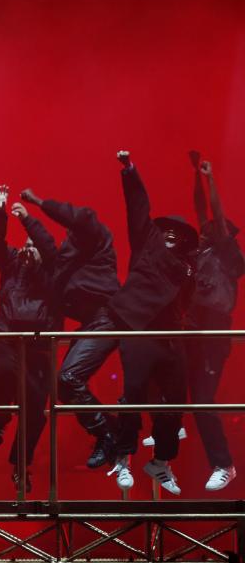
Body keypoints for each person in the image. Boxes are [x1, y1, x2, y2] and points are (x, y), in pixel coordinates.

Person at [105, 150, 198, 495]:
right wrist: (130, 171)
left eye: (178, 233)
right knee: (133, 394)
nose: (171, 235)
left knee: (175, 401)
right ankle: (123, 457)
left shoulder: (189, 266)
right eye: (167, 230)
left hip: (171, 336)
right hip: (141, 330)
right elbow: (138, 208)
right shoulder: (147, 245)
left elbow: (190, 300)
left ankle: (161, 461)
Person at [19, 187, 121, 468]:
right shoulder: (71, 252)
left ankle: (107, 435)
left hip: (107, 317)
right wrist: (28, 220)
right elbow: (51, 255)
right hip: (91, 321)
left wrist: (40, 201)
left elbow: (81, 218)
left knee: (69, 377)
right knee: (60, 386)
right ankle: (111, 428)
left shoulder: (97, 237)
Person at [0, 186, 58, 491]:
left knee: (36, 410)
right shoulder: (12, 263)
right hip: (7, 336)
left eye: (34, 244)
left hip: (40, 345)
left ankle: (20, 464)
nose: (28, 248)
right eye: (25, 244)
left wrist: (29, 224)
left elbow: (49, 248)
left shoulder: (54, 270)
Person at [180, 153, 242, 491]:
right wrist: (195, 177)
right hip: (193, 325)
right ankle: (166, 434)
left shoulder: (228, 255)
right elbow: (200, 210)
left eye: (212, 231)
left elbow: (214, 216)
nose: (204, 231)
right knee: (164, 373)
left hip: (214, 329)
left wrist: (210, 177)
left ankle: (223, 463)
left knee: (203, 398)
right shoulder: (202, 253)